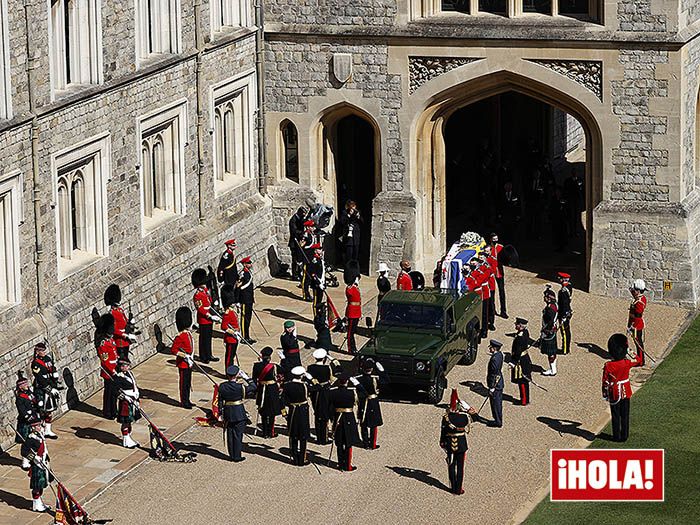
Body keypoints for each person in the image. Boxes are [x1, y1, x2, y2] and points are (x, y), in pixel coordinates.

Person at [602, 333, 644, 442]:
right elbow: (639, 360)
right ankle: (624, 435)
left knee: (615, 415)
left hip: (614, 392)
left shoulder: (609, 365)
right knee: (625, 415)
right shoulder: (626, 363)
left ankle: (616, 436)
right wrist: (629, 351)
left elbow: (605, 382)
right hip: (625, 390)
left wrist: (605, 394)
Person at [440, 389, 476, 495]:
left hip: (450, 444)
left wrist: (442, 443)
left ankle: (453, 487)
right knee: (460, 468)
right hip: (461, 444)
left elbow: (443, 432)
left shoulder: (446, 418)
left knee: (451, 466)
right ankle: (459, 489)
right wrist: (469, 409)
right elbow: (475, 417)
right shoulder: (464, 417)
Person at [218, 365, 257, 462]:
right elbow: (253, 387)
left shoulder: (222, 386)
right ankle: (237, 456)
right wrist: (247, 378)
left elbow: (220, 401)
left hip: (227, 412)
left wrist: (220, 413)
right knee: (238, 435)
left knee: (230, 434)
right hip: (238, 412)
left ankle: (231, 455)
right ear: (237, 375)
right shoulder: (240, 387)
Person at [328, 373, 362, 471]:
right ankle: (347, 465)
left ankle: (340, 463)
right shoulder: (352, 392)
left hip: (337, 418)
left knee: (339, 442)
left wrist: (332, 419)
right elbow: (363, 392)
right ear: (347, 381)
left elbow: (330, 407)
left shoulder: (333, 392)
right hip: (348, 418)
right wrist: (356, 383)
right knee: (348, 443)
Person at [307, 349, 341, 444]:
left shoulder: (310, 368)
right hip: (325, 392)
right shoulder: (327, 368)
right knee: (325, 413)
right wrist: (332, 359)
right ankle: (324, 437)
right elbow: (335, 374)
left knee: (317, 413)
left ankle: (319, 437)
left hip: (315, 393)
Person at [283, 366, 315, 466]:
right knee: (303, 435)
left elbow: (282, 400)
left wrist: (285, 413)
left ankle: (294, 458)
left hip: (292, 410)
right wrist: (312, 379)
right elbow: (318, 388)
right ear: (302, 375)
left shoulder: (287, 385)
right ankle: (302, 459)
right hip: (302, 411)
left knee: (293, 434)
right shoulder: (305, 386)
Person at [356, 359, 388, 450]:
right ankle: (372, 444)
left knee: (363, 423)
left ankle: (365, 443)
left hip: (363, 402)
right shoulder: (375, 379)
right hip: (373, 402)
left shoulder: (359, 379)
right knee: (374, 424)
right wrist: (381, 371)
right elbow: (386, 381)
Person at [21, 417, 51, 512]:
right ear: (33, 427)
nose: (39, 426)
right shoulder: (30, 439)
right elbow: (24, 451)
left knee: (41, 485)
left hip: (43, 463)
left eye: (39, 425)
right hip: (36, 465)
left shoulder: (39, 435)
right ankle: (36, 505)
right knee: (36, 486)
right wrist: (34, 458)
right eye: (37, 425)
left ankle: (40, 503)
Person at [252, 347, 283, 438]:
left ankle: (265, 433)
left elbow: (254, 378)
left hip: (262, 389)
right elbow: (284, 372)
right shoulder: (274, 366)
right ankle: (271, 432)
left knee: (263, 411)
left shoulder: (256, 366)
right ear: (269, 357)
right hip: (272, 389)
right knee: (272, 412)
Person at [192, 268, 222, 364]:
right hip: (204, 319)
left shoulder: (205, 290)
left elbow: (209, 302)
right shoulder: (197, 294)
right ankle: (203, 356)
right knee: (203, 338)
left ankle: (209, 354)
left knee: (208, 337)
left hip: (209, 317)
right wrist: (210, 316)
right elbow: (200, 309)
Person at [31, 342, 59, 439]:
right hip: (41, 388)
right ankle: (40, 430)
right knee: (41, 409)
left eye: (44, 350)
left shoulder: (48, 359)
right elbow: (39, 377)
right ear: (38, 352)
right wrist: (48, 388)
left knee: (49, 409)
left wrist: (55, 378)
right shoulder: (35, 363)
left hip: (50, 384)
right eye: (41, 351)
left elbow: (51, 369)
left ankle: (48, 430)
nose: (43, 352)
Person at [112, 357, 141, 449]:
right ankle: (126, 438)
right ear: (121, 367)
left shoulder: (129, 374)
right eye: (125, 365)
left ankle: (129, 438)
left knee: (130, 421)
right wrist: (125, 397)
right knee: (125, 421)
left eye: (128, 365)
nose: (128, 367)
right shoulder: (117, 378)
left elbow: (134, 385)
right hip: (125, 402)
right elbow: (115, 392)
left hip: (133, 400)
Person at [104, 284, 137, 360]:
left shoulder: (120, 310)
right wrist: (124, 334)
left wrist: (131, 322)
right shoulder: (112, 313)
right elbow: (114, 330)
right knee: (122, 360)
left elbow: (125, 321)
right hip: (120, 341)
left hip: (126, 339)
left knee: (126, 358)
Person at [171, 307, 195, 409]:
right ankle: (183, 401)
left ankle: (188, 400)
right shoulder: (180, 336)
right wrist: (185, 356)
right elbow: (174, 350)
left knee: (188, 383)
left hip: (189, 362)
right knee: (183, 383)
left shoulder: (188, 334)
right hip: (183, 363)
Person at [96, 314, 118, 420]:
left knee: (114, 393)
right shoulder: (103, 343)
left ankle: (114, 410)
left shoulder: (111, 340)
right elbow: (105, 361)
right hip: (108, 372)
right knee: (109, 393)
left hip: (114, 369)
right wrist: (113, 371)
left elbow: (115, 355)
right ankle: (108, 412)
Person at [15, 372, 39, 470]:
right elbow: (23, 411)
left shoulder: (29, 393)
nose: (26, 385)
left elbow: (35, 403)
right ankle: (25, 461)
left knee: (33, 441)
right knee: (26, 442)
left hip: (34, 419)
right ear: (20, 387)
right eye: (24, 384)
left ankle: (31, 458)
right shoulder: (20, 398)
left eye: (26, 383)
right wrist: (31, 419)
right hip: (25, 422)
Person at [510, 318, 532, 406]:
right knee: (523, 381)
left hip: (521, 360)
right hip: (524, 358)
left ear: (520, 326)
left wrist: (513, 362)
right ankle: (525, 398)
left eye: (517, 324)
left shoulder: (520, 337)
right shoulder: (524, 332)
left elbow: (518, 351)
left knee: (522, 381)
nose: (515, 325)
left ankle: (524, 400)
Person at [220, 284, 241, 370]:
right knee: (229, 357)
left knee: (232, 355)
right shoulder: (227, 313)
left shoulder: (232, 311)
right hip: (231, 338)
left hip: (235, 337)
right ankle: (228, 372)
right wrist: (234, 333)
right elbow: (224, 327)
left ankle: (232, 370)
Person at [540, 286, 559, 376]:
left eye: (545, 296)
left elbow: (550, 322)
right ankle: (553, 369)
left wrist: (545, 331)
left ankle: (553, 370)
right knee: (552, 352)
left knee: (550, 353)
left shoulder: (550, 309)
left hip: (549, 332)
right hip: (551, 331)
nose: (544, 298)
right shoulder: (554, 305)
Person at [627, 279, 647, 362]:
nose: (633, 292)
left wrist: (631, 325)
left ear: (638, 291)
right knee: (638, 342)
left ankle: (641, 360)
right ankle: (640, 358)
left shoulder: (639, 302)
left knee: (638, 343)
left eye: (635, 290)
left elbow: (637, 316)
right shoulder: (641, 298)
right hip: (636, 323)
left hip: (636, 325)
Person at [237, 257, 256, 344]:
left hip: (249, 298)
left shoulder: (248, 272)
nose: (250, 264)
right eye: (248, 263)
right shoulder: (243, 274)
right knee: (244, 318)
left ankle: (247, 336)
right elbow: (238, 286)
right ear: (244, 264)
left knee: (248, 318)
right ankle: (244, 337)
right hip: (244, 299)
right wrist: (238, 300)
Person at [344, 262, 362, 354]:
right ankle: (351, 349)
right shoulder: (350, 288)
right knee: (350, 333)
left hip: (356, 311)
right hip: (351, 312)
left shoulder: (354, 287)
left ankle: (353, 347)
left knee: (353, 331)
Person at [489, 234, 508, 318]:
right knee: (492, 293)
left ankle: (503, 311)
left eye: (496, 239)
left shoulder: (501, 247)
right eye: (494, 239)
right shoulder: (488, 248)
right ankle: (492, 311)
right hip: (491, 273)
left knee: (502, 292)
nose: (495, 241)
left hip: (499, 272)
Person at [486, 340, 504, 427]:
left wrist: (492, 386)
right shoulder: (499, 355)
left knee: (496, 403)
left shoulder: (494, 359)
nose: (490, 349)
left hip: (496, 384)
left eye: (491, 347)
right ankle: (497, 419)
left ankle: (498, 421)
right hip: (498, 382)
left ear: (494, 348)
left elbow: (494, 374)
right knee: (496, 403)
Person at [288, 207, 307, 281]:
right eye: (303, 213)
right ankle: (294, 275)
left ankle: (299, 273)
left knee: (299, 259)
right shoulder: (293, 220)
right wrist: (302, 233)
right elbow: (294, 231)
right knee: (295, 259)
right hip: (294, 242)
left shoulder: (300, 218)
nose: (304, 215)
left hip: (299, 242)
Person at [300, 220, 316, 301]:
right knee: (306, 278)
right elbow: (302, 245)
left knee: (310, 277)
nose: (313, 228)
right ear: (308, 227)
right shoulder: (305, 235)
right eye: (311, 227)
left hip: (311, 258)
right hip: (306, 258)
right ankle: (306, 294)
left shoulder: (311, 234)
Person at [480, 251, 497, 331]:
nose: (481, 259)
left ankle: (491, 322)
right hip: (482, 289)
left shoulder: (489, 263)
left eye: (482, 258)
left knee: (491, 306)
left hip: (489, 287)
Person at [557, 272, 573, 355]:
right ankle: (566, 348)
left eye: (560, 278)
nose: (559, 279)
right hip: (567, 312)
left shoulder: (563, 291)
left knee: (564, 332)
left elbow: (564, 304)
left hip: (564, 313)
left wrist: (563, 315)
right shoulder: (568, 286)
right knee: (566, 331)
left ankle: (565, 350)